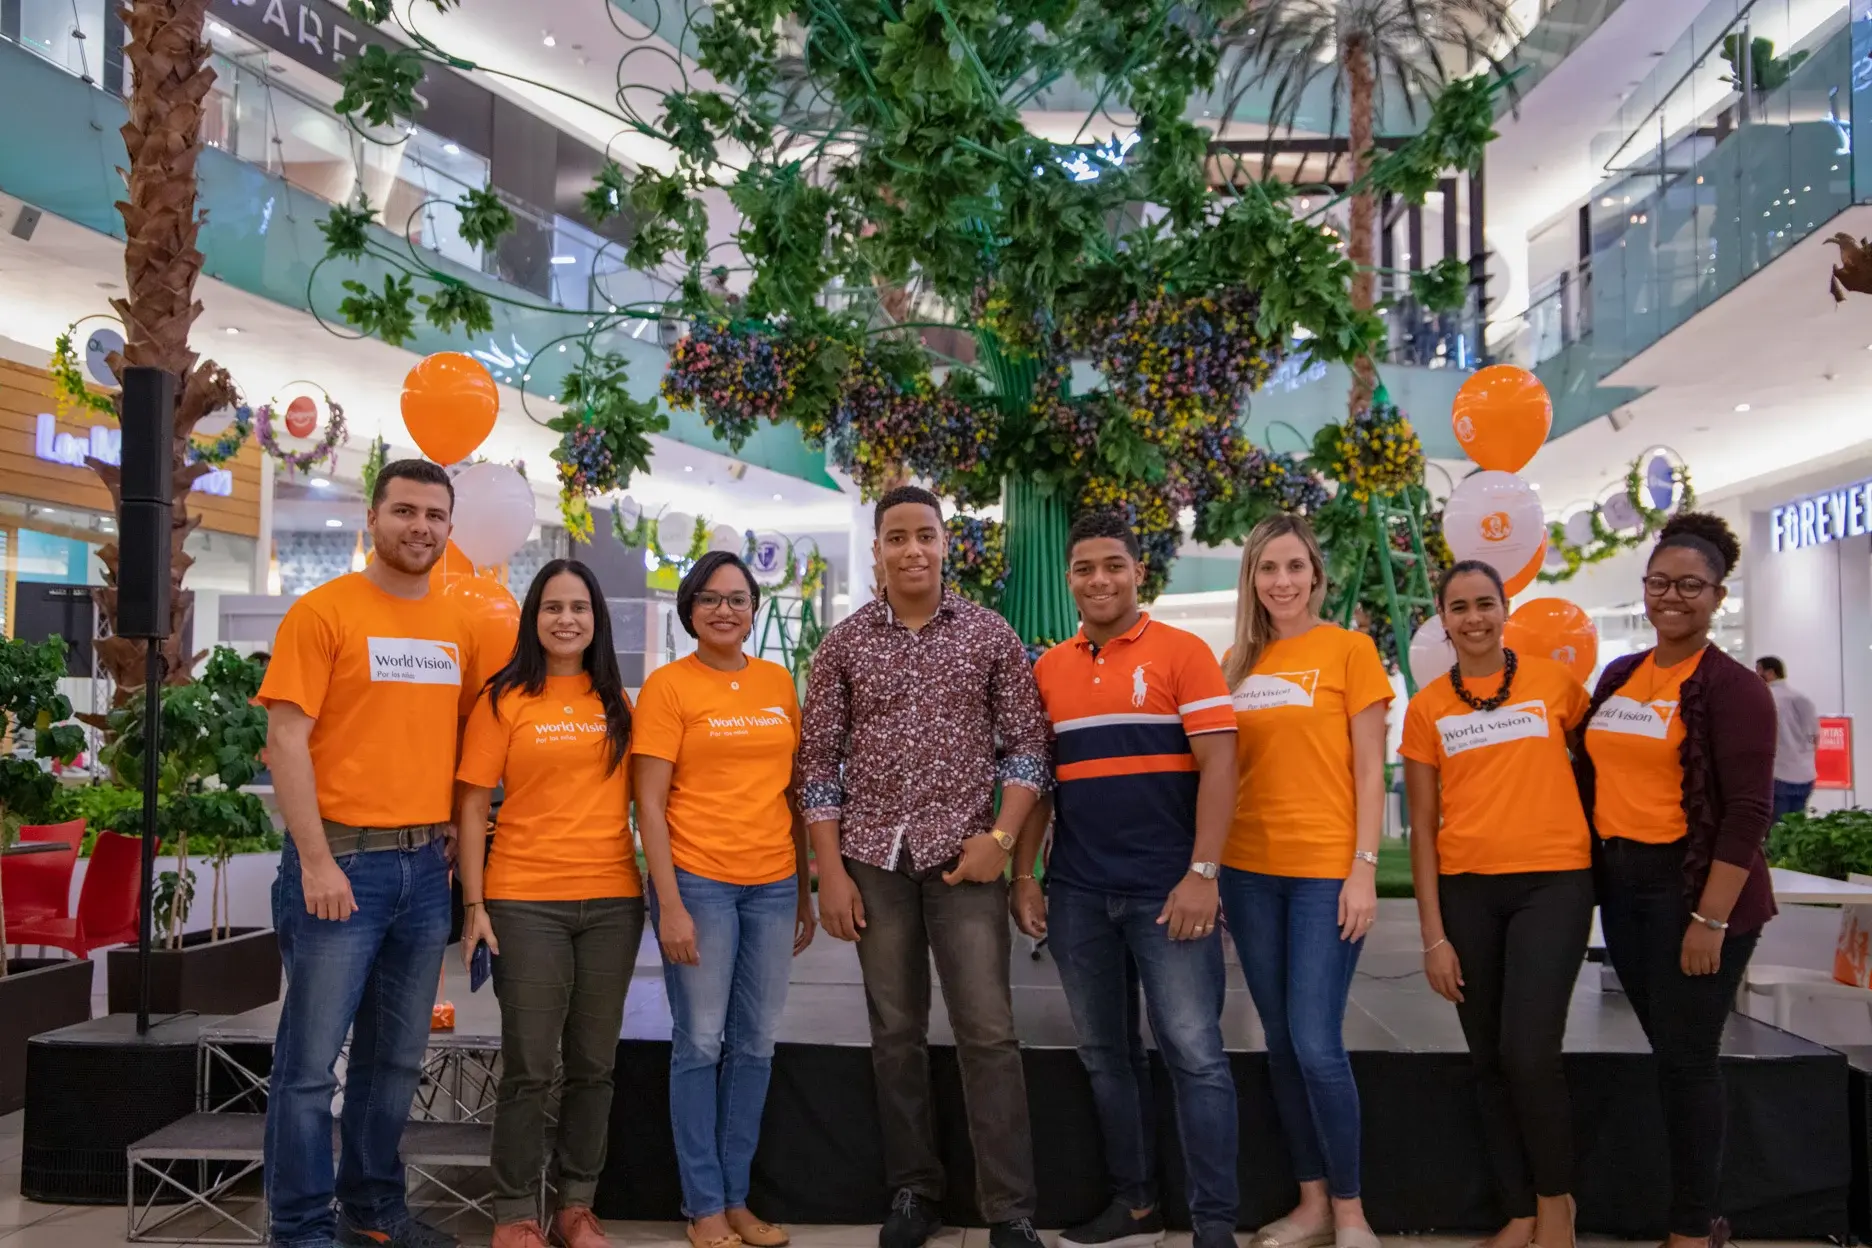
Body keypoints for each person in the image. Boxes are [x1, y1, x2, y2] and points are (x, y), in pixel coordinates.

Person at [801, 484, 1050, 1248]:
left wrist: (1002, 842)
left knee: (988, 1031)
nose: (912, 549)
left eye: (925, 535)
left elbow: (1029, 749)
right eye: (897, 537)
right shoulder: (843, 644)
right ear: (877, 550)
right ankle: (914, 1190)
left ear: (946, 544)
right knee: (896, 1032)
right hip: (872, 861)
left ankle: (1010, 1208)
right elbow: (817, 766)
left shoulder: (989, 634)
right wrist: (829, 872)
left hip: (966, 861)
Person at [259, 459, 479, 1248]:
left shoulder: (457, 625)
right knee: (310, 1067)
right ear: (373, 518)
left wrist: (449, 825)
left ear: (449, 528)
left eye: (435, 515)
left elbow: (460, 738)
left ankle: (374, 1211)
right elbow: (286, 740)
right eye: (405, 511)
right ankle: (298, 1228)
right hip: (340, 866)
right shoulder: (323, 612)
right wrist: (316, 861)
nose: (420, 527)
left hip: (424, 872)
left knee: (395, 1061)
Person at [1014, 511, 1240, 1248]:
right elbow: (1040, 785)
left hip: (1169, 892)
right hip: (1079, 894)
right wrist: (1027, 874)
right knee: (1105, 1057)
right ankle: (1135, 1205)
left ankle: (1213, 1223)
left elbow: (1221, 767)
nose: (1099, 579)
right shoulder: (1050, 669)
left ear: (1140, 572)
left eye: (1114, 565)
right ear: (1069, 579)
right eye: (1084, 568)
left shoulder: (1184, 654)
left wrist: (1202, 874)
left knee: (1196, 1057)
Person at [1575, 514, 1776, 1248]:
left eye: (1690, 585)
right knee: (1670, 1053)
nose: (1671, 596)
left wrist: (1710, 920)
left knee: (1689, 1060)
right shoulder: (1620, 676)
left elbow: (1748, 812)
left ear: (1718, 595)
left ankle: (1693, 1229)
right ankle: (1694, 1207)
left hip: (1695, 894)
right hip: (1625, 890)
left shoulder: (1734, 688)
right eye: (1659, 582)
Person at [1402, 561, 1591, 1248]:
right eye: (1459, 607)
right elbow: (1422, 828)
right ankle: (1518, 1208)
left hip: (1554, 884)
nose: (1474, 618)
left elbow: (1602, 769)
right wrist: (1433, 936)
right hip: (1467, 893)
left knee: (1528, 1051)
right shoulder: (1427, 708)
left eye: (1485, 604)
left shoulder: (1556, 686)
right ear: (1443, 619)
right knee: (1487, 1056)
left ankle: (1556, 1202)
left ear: (1505, 610)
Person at [456, 559, 642, 1248]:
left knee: (594, 1065)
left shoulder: (619, 703)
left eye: (579, 608)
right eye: (553, 607)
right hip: (524, 902)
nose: (567, 619)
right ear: (534, 618)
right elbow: (472, 805)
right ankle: (513, 1213)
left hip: (613, 904)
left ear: (597, 620)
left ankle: (576, 1207)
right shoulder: (503, 699)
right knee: (531, 1066)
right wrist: (474, 904)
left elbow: (651, 802)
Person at [1217, 515, 1391, 1248]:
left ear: (1316, 575)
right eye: (1267, 568)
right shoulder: (1236, 663)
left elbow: (1370, 771)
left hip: (1324, 872)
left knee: (1317, 1043)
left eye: (1294, 566)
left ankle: (1352, 1213)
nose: (1281, 581)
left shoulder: (1350, 650)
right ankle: (1312, 1203)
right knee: (1282, 1044)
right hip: (1248, 873)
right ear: (1252, 580)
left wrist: (1363, 869)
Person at [633, 552, 816, 1248]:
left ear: (753, 610)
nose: (724, 610)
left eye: (738, 599)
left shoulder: (776, 682)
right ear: (689, 609)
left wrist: (802, 891)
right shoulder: (668, 687)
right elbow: (649, 805)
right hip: (698, 882)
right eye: (710, 598)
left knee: (755, 1043)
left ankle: (737, 1199)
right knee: (700, 1041)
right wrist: (670, 904)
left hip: (772, 883)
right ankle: (703, 1205)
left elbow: (793, 793)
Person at [1757, 656, 1819, 820]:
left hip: (1779, 774)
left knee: (1778, 829)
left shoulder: (1765, 698)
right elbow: (1815, 737)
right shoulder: (1801, 697)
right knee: (1798, 828)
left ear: (1770, 673)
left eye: (1758, 670)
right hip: (1805, 775)